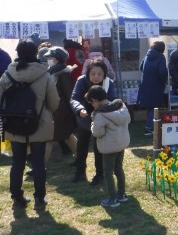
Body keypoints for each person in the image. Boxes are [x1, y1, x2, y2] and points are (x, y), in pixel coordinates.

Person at [1, 40, 59, 210]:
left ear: (18, 54)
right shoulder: (45, 75)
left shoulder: (7, 75)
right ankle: (39, 198)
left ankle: (17, 196)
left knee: (17, 162)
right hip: (39, 124)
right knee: (39, 162)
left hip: (13, 123)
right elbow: (54, 102)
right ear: (36, 54)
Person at [70, 60, 117, 185]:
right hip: (84, 118)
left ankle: (100, 174)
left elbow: (113, 100)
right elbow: (74, 98)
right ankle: (80, 172)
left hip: (101, 119)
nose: (96, 77)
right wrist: (80, 109)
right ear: (88, 73)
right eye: (93, 73)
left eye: (99, 74)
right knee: (81, 146)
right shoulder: (81, 80)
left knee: (99, 148)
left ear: (104, 74)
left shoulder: (109, 83)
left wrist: (103, 109)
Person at [88, 86, 130, 208]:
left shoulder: (100, 114)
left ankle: (112, 199)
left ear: (95, 100)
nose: (92, 105)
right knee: (119, 169)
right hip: (121, 144)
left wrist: (92, 125)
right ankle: (122, 195)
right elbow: (129, 120)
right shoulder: (121, 107)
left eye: (91, 102)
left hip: (108, 148)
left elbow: (97, 133)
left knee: (107, 173)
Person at [44, 47, 77, 159]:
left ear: (57, 59)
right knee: (66, 136)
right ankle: (80, 157)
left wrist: (73, 112)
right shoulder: (53, 72)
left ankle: (40, 165)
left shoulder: (63, 74)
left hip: (61, 112)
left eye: (50, 57)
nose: (48, 59)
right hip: (56, 111)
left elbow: (69, 95)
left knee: (50, 137)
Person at [138, 41, 168, 136]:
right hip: (156, 85)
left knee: (150, 107)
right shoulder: (161, 57)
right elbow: (162, 72)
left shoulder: (147, 55)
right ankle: (149, 127)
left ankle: (149, 125)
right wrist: (164, 81)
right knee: (155, 107)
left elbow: (141, 67)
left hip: (145, 84)